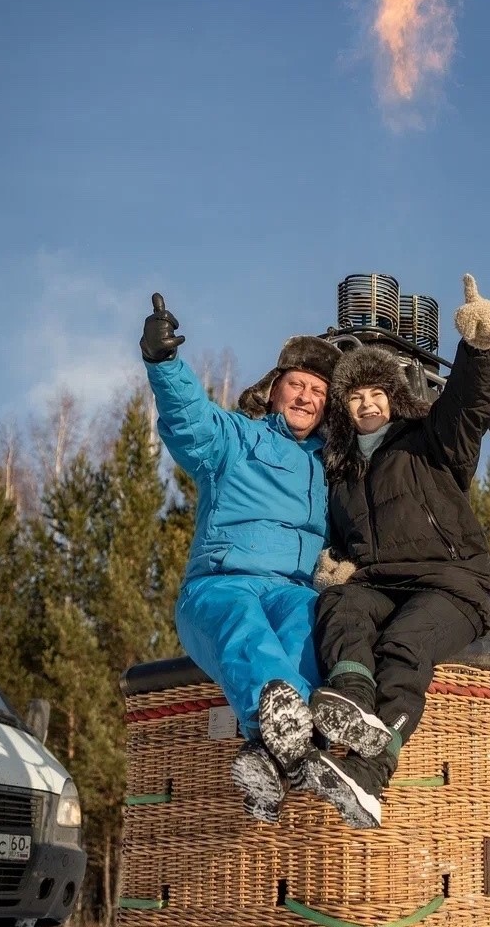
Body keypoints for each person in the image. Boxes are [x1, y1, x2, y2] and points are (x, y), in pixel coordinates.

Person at [266, 274, 490, 828]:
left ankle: (373, 775)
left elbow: (470, 405)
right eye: (355, 395)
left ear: (392, 398)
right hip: (381, 584)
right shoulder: (342, 469)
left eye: (376, 393)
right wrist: (332, 559)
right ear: (344, 408)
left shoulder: (430, 441)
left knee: (402, 646)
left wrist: (479, 348)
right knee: (339, 604)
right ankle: (351, 699)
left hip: (453, 584)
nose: (367, 403)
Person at [139, 292, 341, 822]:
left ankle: (269, 758)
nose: (306, 396)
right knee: (243, 626)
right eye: (297, 383)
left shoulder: (328, 470)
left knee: (309, 627)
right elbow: (190, 419)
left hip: (291, 589)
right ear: (274, 391)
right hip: (221, 584)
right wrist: (164, 363)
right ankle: (281, 720)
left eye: (318, 391)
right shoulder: (236, 438)